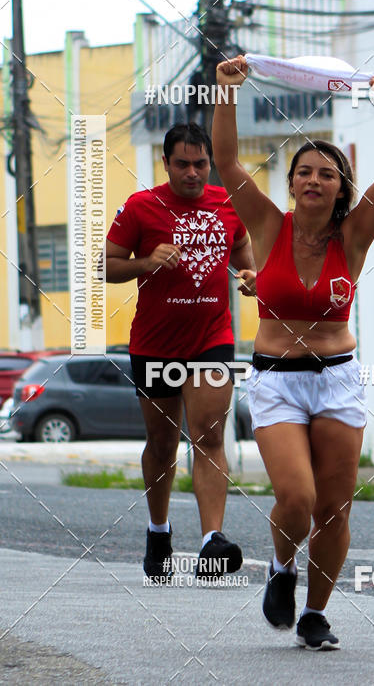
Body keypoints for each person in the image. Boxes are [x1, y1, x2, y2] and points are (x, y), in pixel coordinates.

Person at [212, 55, 374, 650]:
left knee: (335, 510)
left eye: (326, 173)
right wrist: (226, 92)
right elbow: (224, 161)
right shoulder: (268, 225)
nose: (313, 181)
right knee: (297, 498)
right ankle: (282, 566)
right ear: (290, 183)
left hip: (338, 380)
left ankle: (315, 613)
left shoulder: (355, 236)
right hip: (276, 381)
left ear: (340, 187)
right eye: (304, 173)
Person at [104, 122, 256, 581]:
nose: (193, 173)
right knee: (164, 443)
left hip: (211, 339)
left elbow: (244, 253)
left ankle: (212, 541)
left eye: (201, 163)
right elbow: (105, 266)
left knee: (209, 435)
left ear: (210, 163)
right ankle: (158, 530)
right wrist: (146, 262)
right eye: (183, 164)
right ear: (166, 163)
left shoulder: (227, 203)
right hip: (155, 345)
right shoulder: (141, 207)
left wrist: (249, 278)